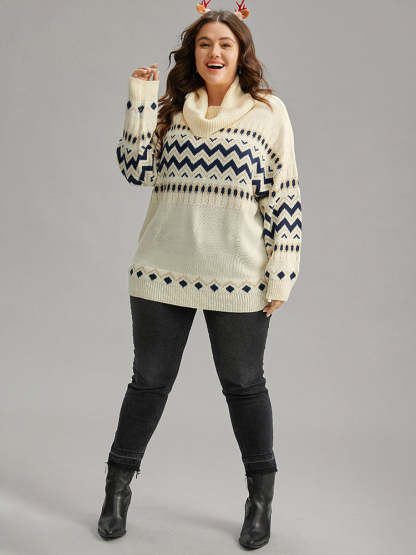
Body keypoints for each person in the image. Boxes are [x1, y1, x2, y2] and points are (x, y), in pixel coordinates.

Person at [98, 1, 302, 549]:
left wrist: (282, 271)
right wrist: (141, 99)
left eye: (225, 44)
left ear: (241, 54)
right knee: (148, 383)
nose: (214, 52)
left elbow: (283, 194)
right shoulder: (171, 109)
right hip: (162, 270)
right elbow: (134, 170)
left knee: (244, 386)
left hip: (237, 273)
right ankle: (116, 491)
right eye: (205, 44)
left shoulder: (267, 112)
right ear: (192, 53)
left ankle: (259, 502)